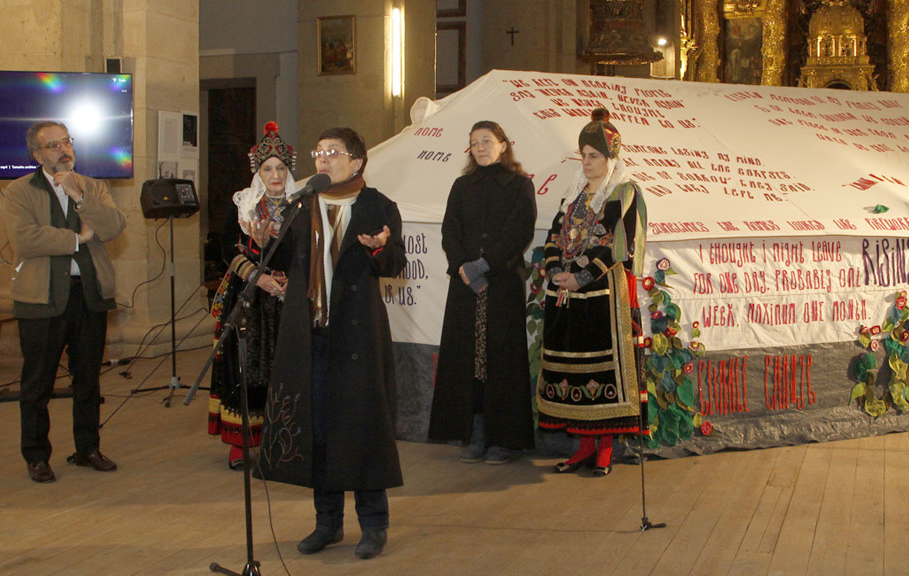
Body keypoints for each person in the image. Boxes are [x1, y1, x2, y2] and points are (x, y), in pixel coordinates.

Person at [256, 127, 406, 560]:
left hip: (357, 335)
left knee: (362, 428)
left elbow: (397, 263)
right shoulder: (301, 204)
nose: (322, 160)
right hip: (311, 335)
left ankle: (373, 525)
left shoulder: (378, 205)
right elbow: (284, 261)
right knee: (318, 428)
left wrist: (381, 249)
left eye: (333, 153)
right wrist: (266, 238)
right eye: (318, 152)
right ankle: (327, 523)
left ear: (357, 161)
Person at [4, 121, 127, 483]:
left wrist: (80, 198)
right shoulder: (20, 190)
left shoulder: (92, 186)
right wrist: (77, 238)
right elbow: (25, 238)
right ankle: (37, 456)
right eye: (54, 145)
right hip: (41, 297)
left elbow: (114, 226)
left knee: (88, 378)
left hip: (88, 295)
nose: (64, 150)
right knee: (38, 382)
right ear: (37, 154)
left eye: (67, 142)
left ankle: (87, 448)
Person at [536, 108, 647, 477]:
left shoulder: (623, 193)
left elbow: (617, 245)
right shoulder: (575, 195)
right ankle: (583, 448)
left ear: (610, 158)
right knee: (574, 371)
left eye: (593, 155)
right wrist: (555, 271)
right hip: (567, 297)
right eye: (583, 154)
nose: (586, 161)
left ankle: (604, 451)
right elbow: (554, 236)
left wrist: (580, 278)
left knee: (603, 371)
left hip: (601, 295)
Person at [428, 120, 537, 464]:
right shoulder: (462, 185)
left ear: (504, 145)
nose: (480, 147)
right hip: (466, 286)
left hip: (502, 283)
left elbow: (520, 230)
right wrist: (464, 265)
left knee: (501, 360)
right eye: (474, 143)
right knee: (468, 361)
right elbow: (450, 230)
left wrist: (486, 264)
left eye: (487, 141)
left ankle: (502, 439)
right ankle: (474, 432)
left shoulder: (520, 185)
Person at [208, 121, 296, 470]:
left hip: (288, 298)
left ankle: (282, 441)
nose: (275, 174)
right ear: (258, 172)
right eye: (267, 168)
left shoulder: (299, 206)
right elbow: (227, 250)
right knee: (245, 370)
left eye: (280, 168)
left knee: (286, 369)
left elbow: (307, 250)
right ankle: (241, 445)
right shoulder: (243, 205)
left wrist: (290, 277)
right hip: (250, 299)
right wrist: (258, 277)